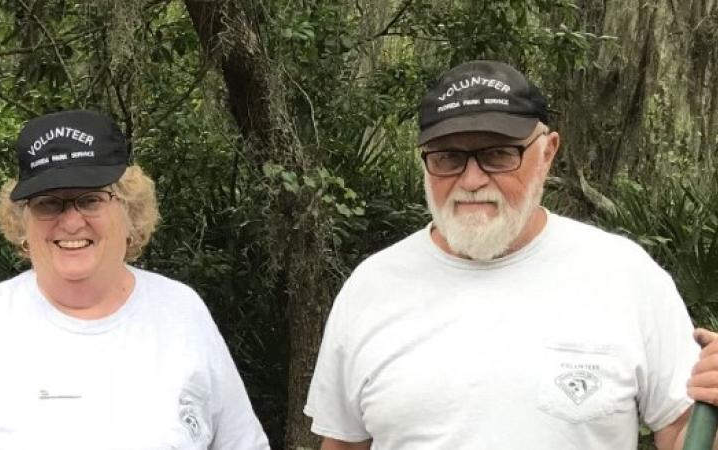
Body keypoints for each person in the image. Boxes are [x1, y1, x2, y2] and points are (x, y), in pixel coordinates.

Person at [304, 60, 718, 449]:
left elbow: (682, 431)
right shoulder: (371, 288)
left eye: (498, 154)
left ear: (547, 152)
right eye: (448, 157)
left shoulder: (626, 276)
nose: (471, 179)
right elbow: (342, 443)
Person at [0, 110, 269, 449]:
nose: (71, 222)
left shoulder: (181, 312)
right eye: (47, 203)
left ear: (130, 211)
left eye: (90, 199)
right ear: (22, 222)